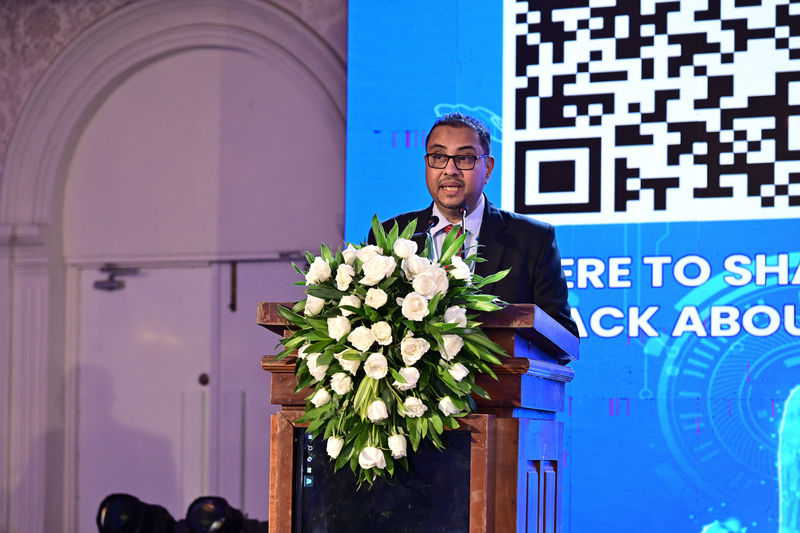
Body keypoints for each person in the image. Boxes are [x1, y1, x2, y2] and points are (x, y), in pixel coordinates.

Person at [376, 112, 578, 338]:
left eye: (465, 158)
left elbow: (563, 334)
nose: (450, 170)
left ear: (488, 168)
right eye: (439, 156)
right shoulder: (392, 235)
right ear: (427, 163)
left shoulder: (532, 240)